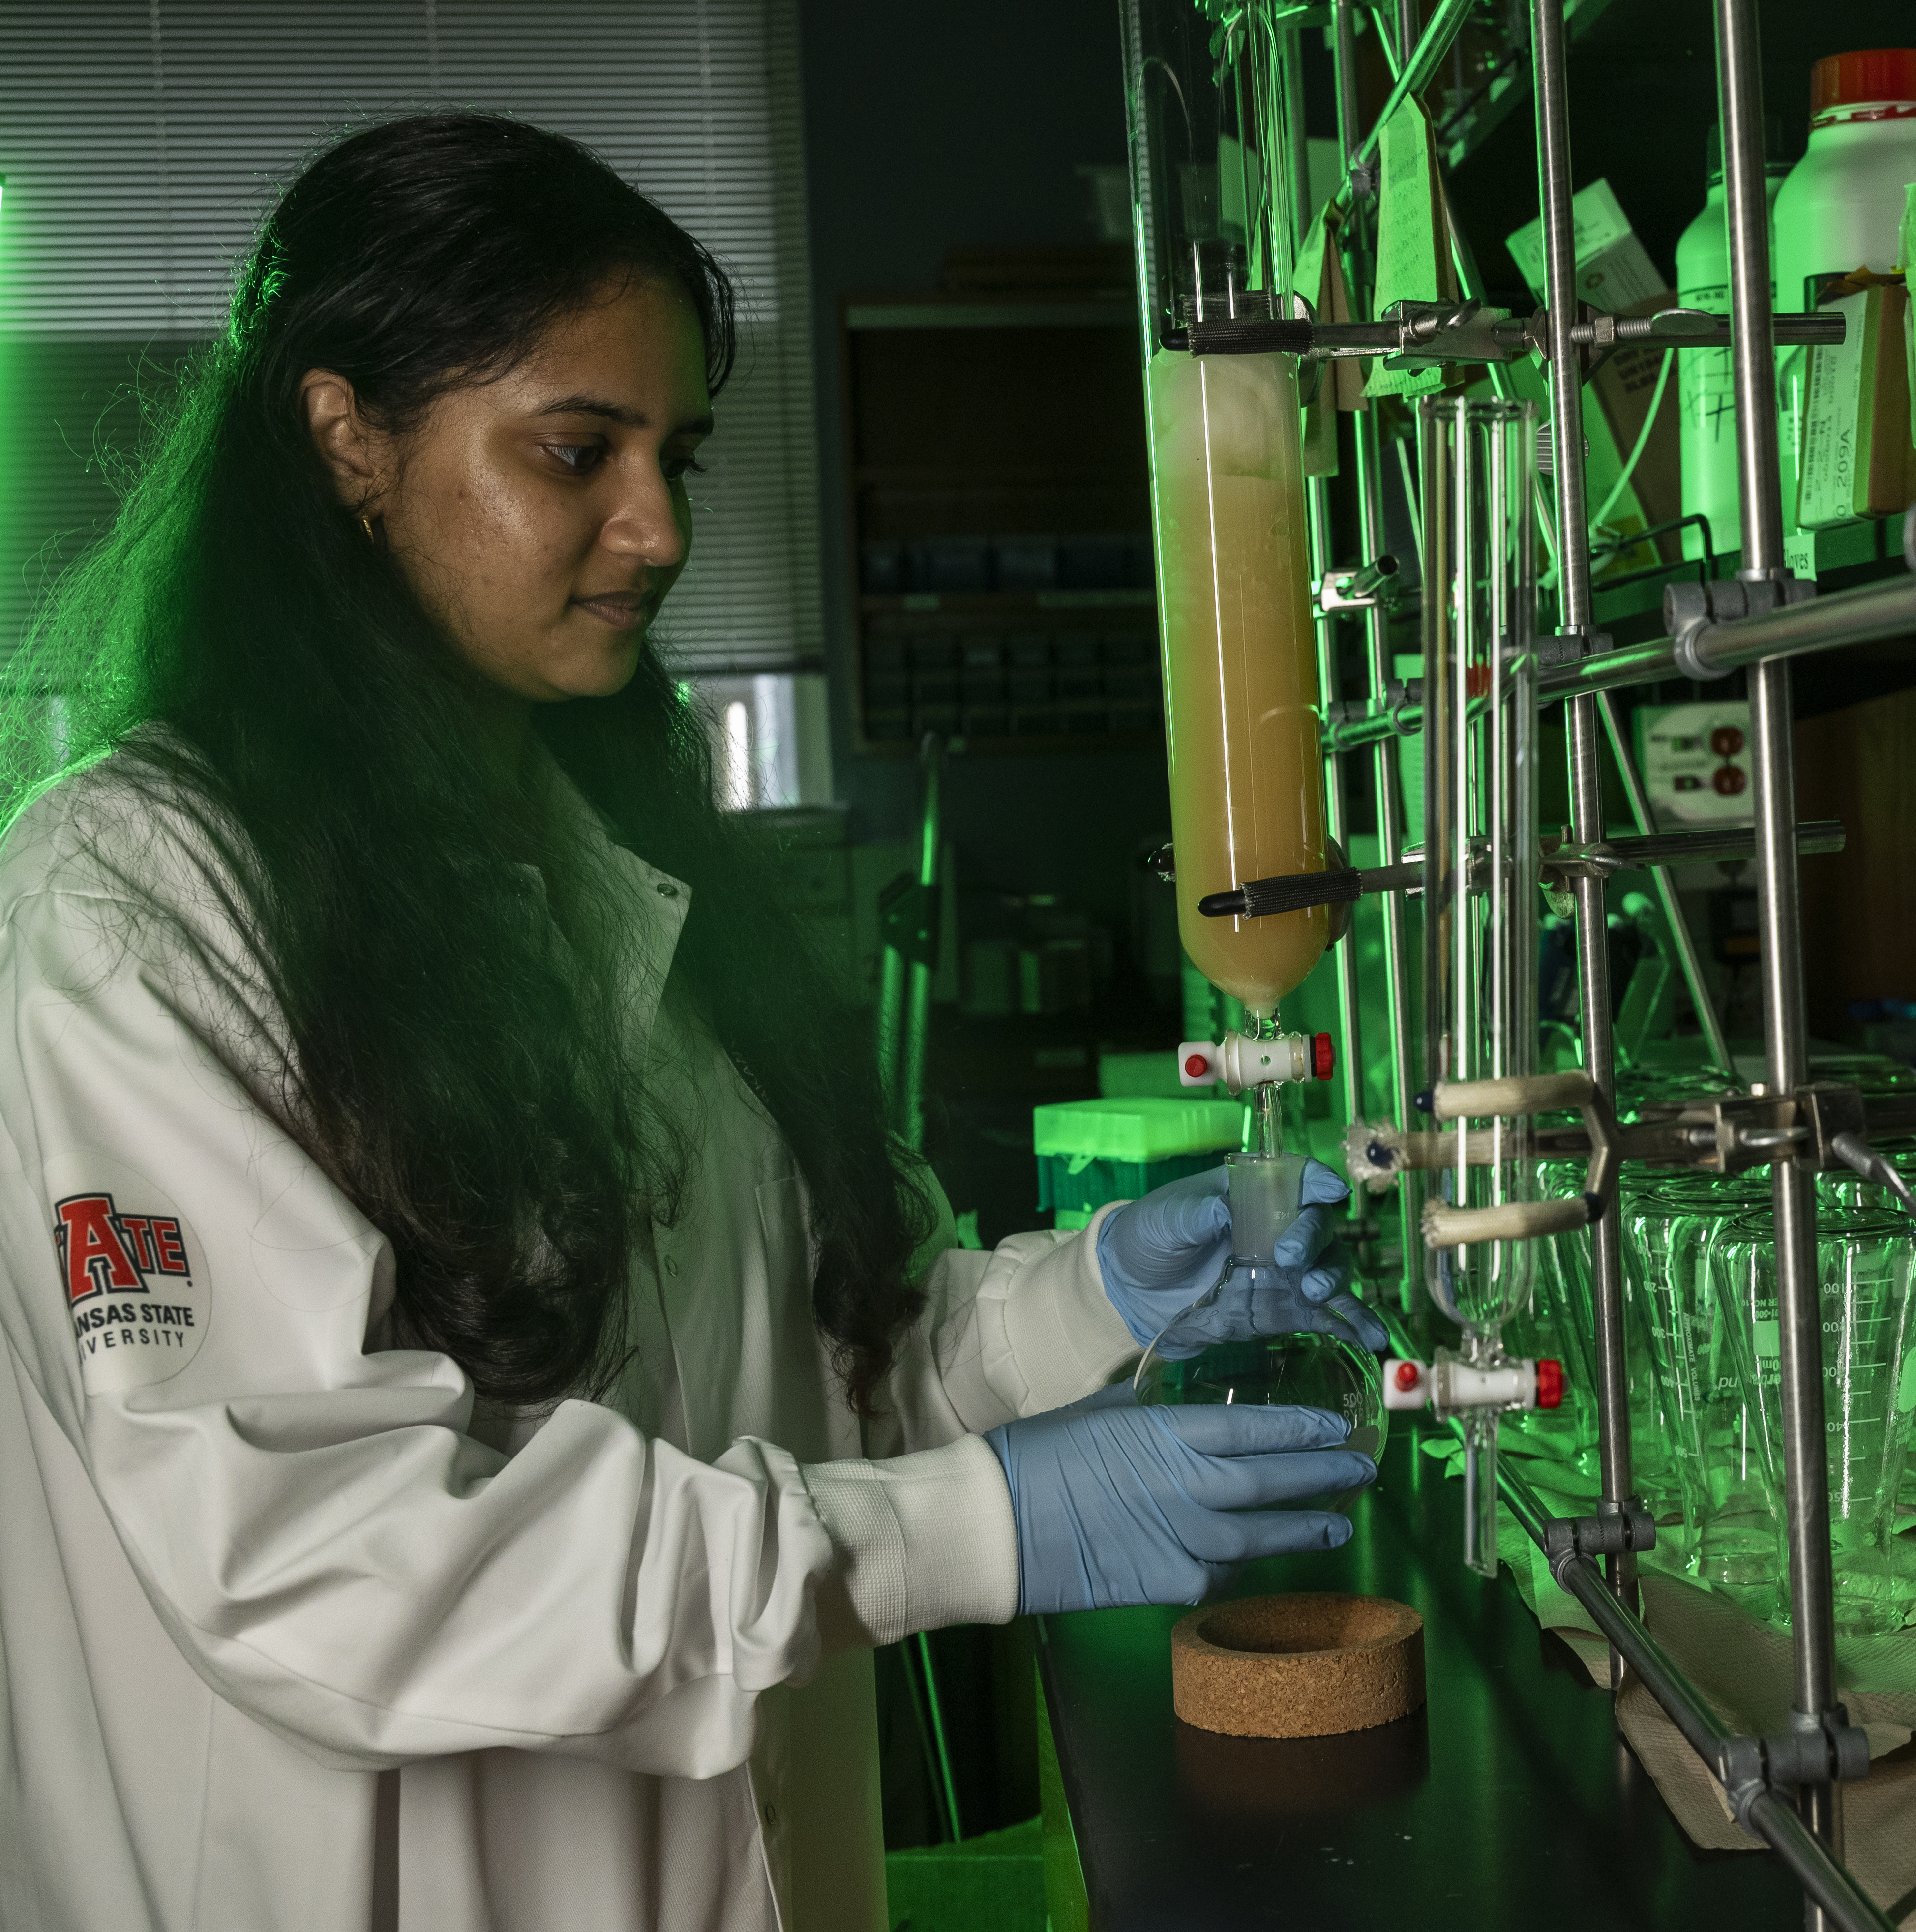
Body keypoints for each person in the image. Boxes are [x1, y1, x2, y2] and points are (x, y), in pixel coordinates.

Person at [0, 113, 1385, 1932]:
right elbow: (317, 1557)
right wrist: (973, 1532)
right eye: (576, 452)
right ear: (348, 440)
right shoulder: (135, 899)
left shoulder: (608, 856)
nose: (656, 529)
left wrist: (1100, 1293)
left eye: (677, 455)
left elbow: (821, 1352)